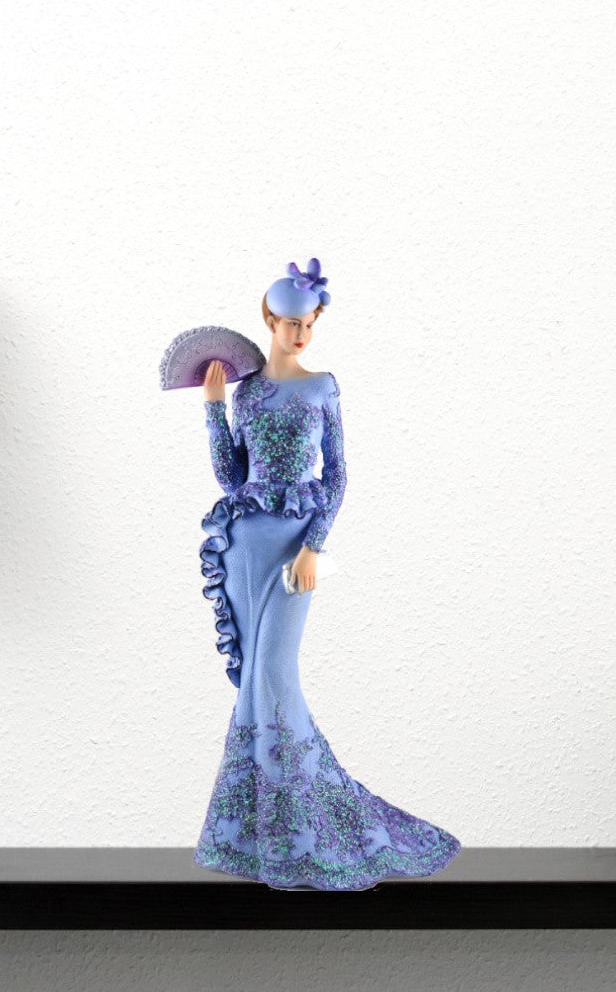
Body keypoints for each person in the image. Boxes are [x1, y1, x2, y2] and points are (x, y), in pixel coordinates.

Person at [193, 258, 462, 891]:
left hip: (295, 547)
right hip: (245, 544)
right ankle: (257, 834)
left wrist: (314, 545)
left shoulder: (323, 387)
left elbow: (337, 474)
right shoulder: (246, 392)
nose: (302, 335)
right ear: (270, 320)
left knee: (273, 672)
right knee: (253, 682)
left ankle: (313, 825)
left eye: (309, 324)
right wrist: (212, 409)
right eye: (292, 324)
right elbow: (232, 477)